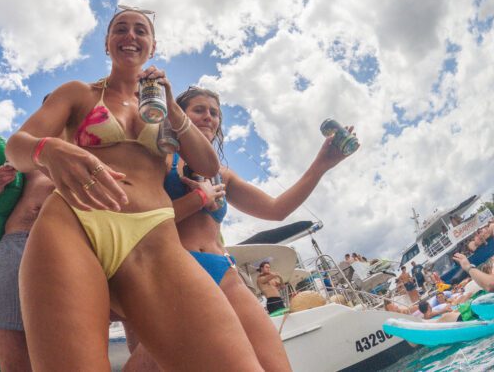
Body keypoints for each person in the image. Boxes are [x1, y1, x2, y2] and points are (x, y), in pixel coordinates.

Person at [5, 8, 265, 371]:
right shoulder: (78, 93)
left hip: (154, 236)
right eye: (120, 29)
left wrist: (173, 106)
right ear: (108, 43)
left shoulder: (165, 112)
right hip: (74, 224)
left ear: (152, 46)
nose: (130, 35)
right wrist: (47, 149)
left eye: (140, 30)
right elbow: (16, 146)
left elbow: (207, 166)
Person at [125, 85, 355, 372]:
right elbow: (142, 220)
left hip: (224, 270)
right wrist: (199, 200)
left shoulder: (222, 175)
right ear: (177, 115)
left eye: (214, 113)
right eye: (199, 110)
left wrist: (322, 164)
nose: (209, 117)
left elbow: (276, 209)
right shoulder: (159, 160)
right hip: (180, 270)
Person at [0, 162, 55, 372]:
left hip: (64, 250)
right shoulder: (29, 157)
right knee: (12, 366)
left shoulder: (98, 149)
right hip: (15, 245)